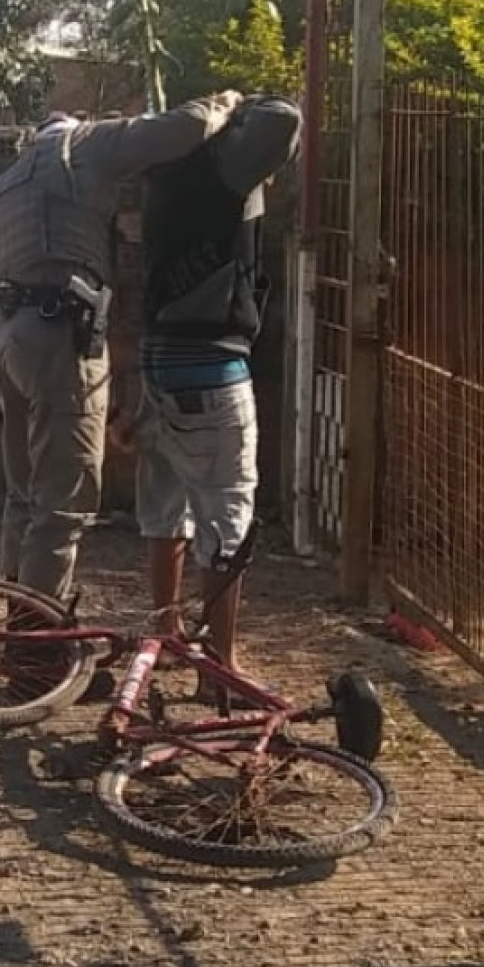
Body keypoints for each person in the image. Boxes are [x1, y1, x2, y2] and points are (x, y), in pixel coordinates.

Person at [0, 94, 242, 696]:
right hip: (57, 341)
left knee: (24, 498)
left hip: (1, 340)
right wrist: (224, 103)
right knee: (64, 509)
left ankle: (24, 637)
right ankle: (39, 664)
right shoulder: (81, 147)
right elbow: (179, 129)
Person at [117, 95, 302, 690]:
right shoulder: (221, 168)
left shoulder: (162, 177)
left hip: (158, 367)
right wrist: (235, 106)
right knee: (227, 517)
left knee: (163, 512)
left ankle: (166, 635)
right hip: (212, 371)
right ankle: (219, 666)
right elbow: (285, 119)